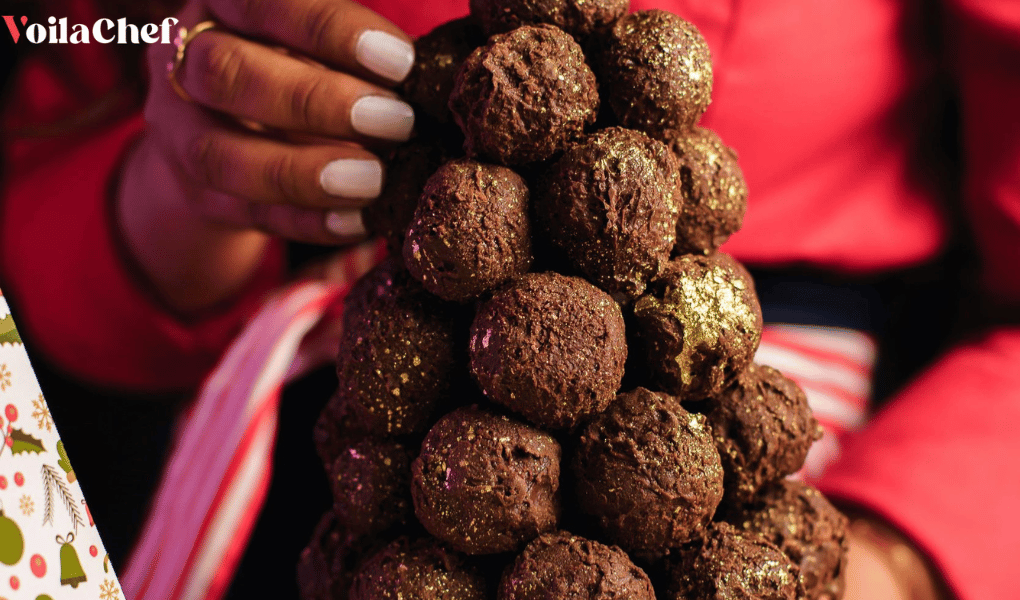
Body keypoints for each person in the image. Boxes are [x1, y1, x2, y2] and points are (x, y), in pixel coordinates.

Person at [1, 0, 1018, 598]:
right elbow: (50, 158)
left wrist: (906, 552)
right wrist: (187, 186)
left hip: (751, 445)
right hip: (351, 437)